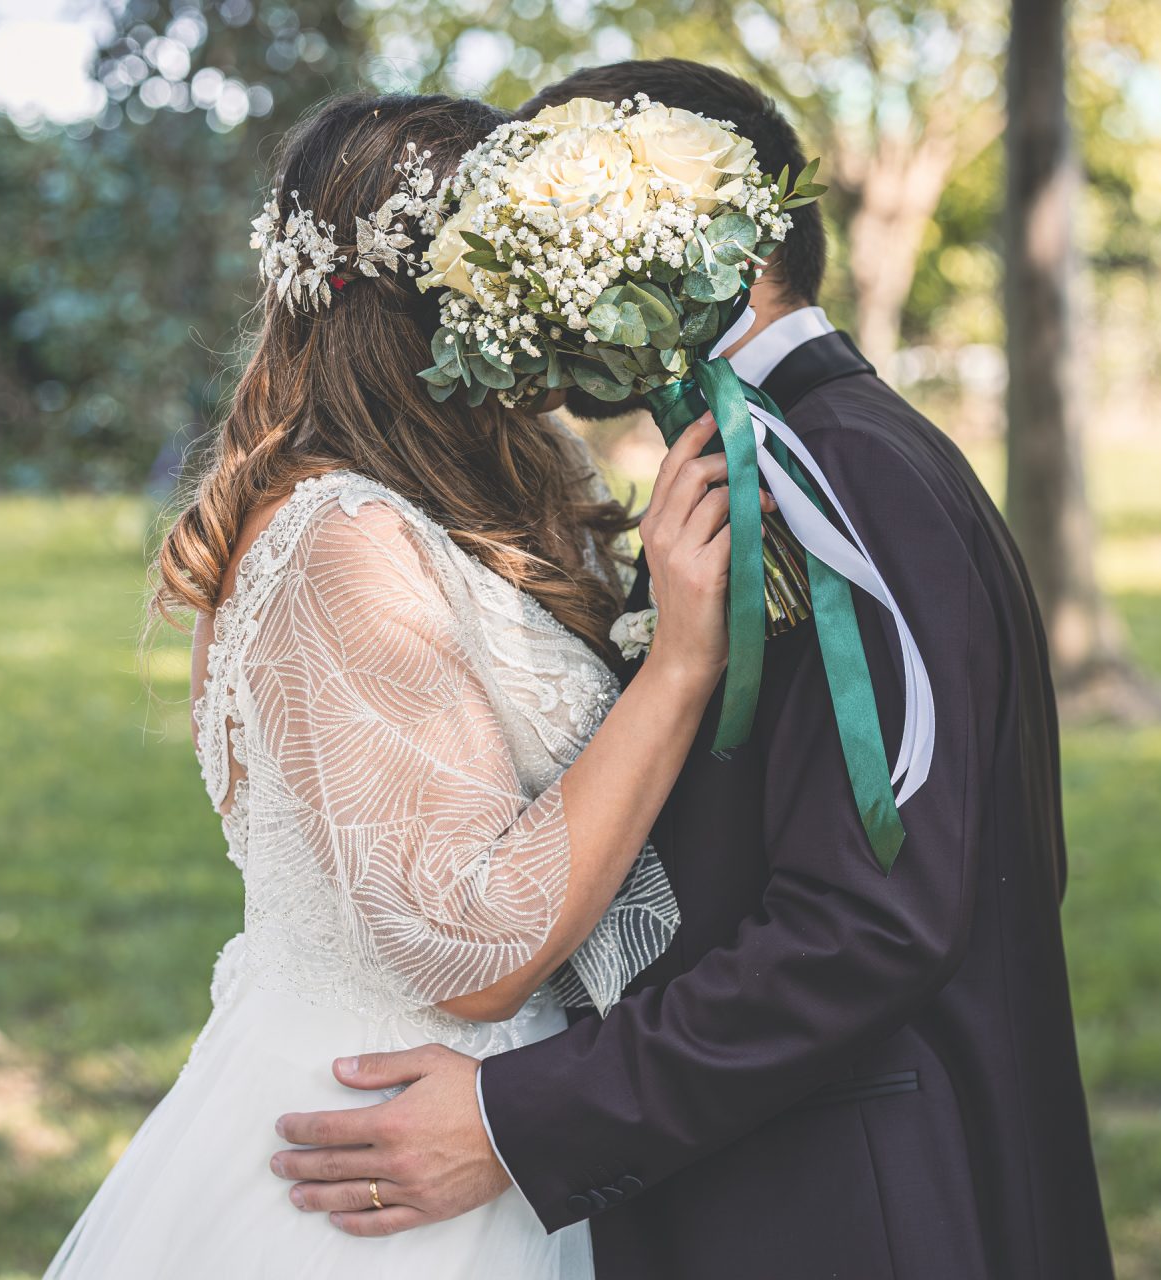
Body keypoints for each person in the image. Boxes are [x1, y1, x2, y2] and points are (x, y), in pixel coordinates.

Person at [268, 61, 1116, 1279]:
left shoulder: (831, 477)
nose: (529, 289)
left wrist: (521, 1118)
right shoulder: (798, 455)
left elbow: (869, 920)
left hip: (848, 1203)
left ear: (715, 242)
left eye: (555, 233)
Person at [43, 91, 745, 1279]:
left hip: (501, 1128)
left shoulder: (502, 480)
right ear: (445, 290)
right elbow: (472, 945)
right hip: (378, 1158)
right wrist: (679, 667)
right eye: (525, 263)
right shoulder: (340, 545)